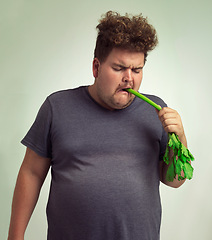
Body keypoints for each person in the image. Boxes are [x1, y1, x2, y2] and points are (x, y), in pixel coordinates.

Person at [8, 11, 188, 240]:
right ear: (96, 67)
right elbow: (31, 173)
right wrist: (15, 236)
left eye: (137, 69)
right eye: (119, 68)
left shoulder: (157, 111)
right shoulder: (57, 107)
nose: (129, 79)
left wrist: (180, 137)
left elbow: (175, 181)